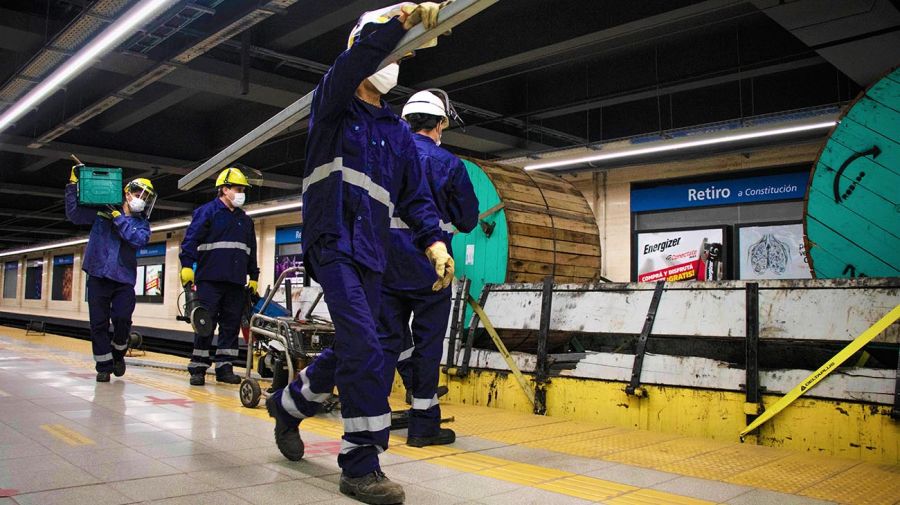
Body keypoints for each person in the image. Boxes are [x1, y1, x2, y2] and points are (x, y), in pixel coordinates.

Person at [265, 3, 452, 504]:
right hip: (332, 241)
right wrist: (398, 23)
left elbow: (414, 197)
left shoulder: (396, 133)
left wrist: (433, 239)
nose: (393, 65)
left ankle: (287, 405)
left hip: (372, 253)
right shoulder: (333, 104)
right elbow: (353, 60)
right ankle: (360, 464)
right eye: (388, 55)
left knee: (359, 346)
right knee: (370, 350)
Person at [379, 89, 478, 447]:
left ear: (406, 122)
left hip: (387, 265)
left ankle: (371, 427)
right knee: (428, 345)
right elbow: (467, 220)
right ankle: (422, 427)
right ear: (439, 123)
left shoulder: (386, 158)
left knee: (387, 340)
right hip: (432, 268)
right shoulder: (450, 165)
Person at [65, 168, 155, 382]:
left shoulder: (142, 225)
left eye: (146, 197)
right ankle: (103, 366)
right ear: (127, 193)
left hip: (123, 281)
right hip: (98, 276)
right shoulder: (101, 214)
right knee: (98, 324)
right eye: (138, 194)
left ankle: (118, 354)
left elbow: (136, 240)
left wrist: (117, 218)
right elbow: (74, 214)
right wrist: (72, 186)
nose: (141, 199)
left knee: (123, 319)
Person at [179, 167, 259, 386]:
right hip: (209, 280)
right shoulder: (207, 212)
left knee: (231, 325)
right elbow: (191, 241)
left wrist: (254, 275)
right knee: (205, 323)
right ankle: (198, 367)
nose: (241, 192)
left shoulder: (246, 220)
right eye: (238, 188)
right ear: (224, 189)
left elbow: (250, 250)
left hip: (235, 282)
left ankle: (225, 367)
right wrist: (187, 265)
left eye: (243, 189)